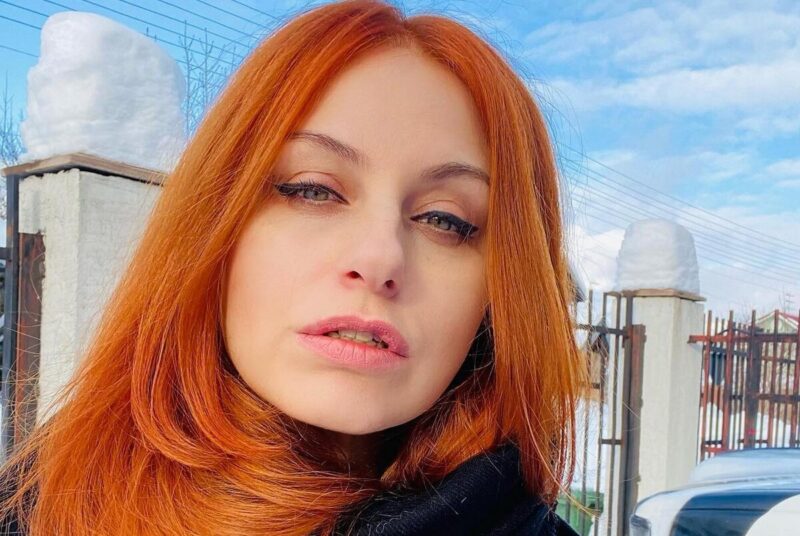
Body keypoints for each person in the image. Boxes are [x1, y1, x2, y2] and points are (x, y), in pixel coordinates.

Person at [0, 1, 589, 534]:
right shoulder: (39, 508)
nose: (379, 258)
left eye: (445, 220)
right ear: (213, 224)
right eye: (312, 190)